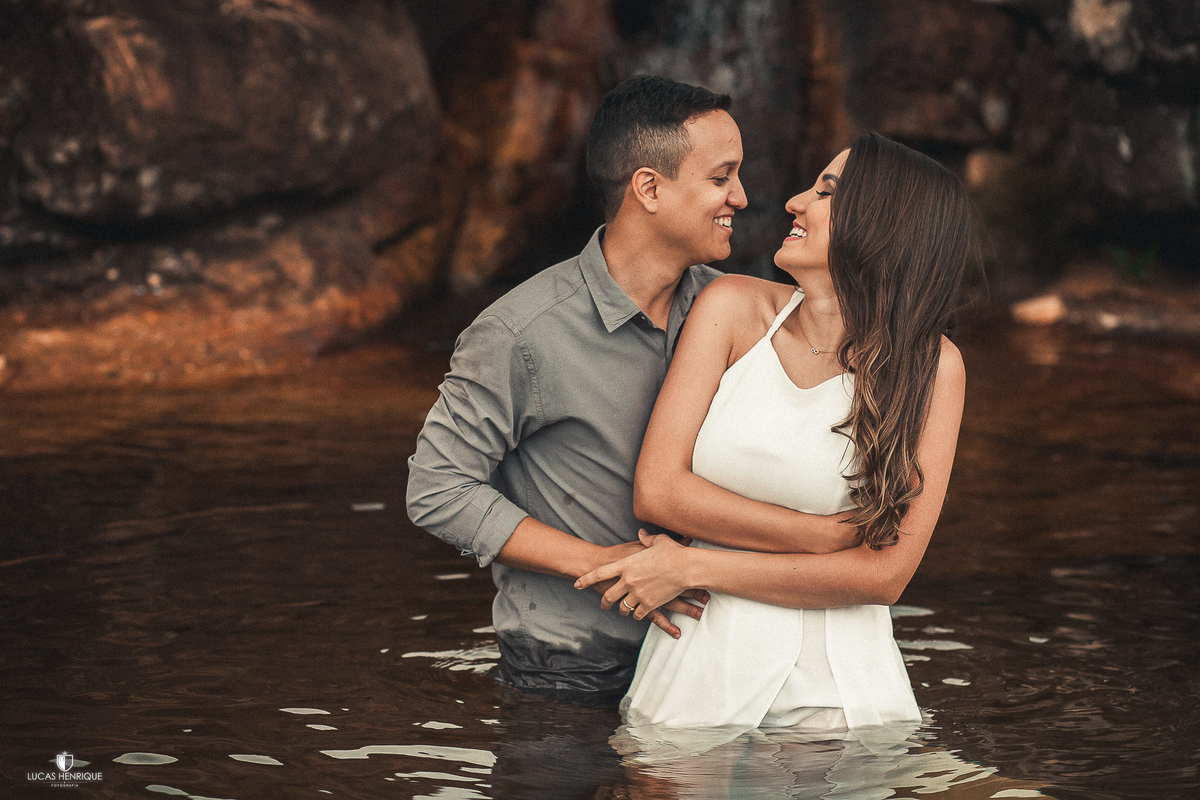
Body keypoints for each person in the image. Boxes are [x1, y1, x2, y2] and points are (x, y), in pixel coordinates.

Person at [406, 75, 854, 706]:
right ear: (649, 187)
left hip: (708, 665)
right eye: (721, 177)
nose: (744, 197)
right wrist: (604, 563)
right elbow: (437, 489)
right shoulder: (519, 333)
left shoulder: (740, 311)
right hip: (567, 672)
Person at [576, 132, 971, 731]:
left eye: (825, 192)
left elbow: (884, 574)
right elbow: (658, 491)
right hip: (696, 674)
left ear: (884, 223)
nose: (793, 201)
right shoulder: (730, 307)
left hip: (839, 699)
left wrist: (693, 569)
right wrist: (817, 536)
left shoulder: (933, 367)